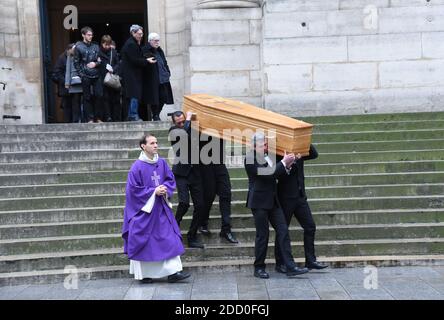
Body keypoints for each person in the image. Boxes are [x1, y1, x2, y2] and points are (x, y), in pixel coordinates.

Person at [122, 134, 191, 283]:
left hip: (160, 209)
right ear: (143, 146)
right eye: (152, 143)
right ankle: (145, 275)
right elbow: (132, 191)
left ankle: (174, 272)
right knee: (146, 243)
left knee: (170, 238)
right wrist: (153, 191)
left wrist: (164, 188)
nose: (156, 145)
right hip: (144, 212)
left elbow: (169, 179)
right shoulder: (136, 167)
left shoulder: (162, 163)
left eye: (156, 143)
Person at [244, 132, 309, 279]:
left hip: (273, 200)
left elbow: (277, 174)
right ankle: (259, 267)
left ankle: (290, 266)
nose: (265, 147)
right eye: (262, 145)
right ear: (253, 146)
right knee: (263, 235)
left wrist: (288, 165)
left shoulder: (270, 156)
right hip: (259, 202)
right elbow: (267, 174)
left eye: (266, 144)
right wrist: (283, 163)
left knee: (283, 230)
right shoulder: (249, 158)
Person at [275, 144, 329, 271]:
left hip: (300, 197)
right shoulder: (278, 152)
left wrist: (305, 140)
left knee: (310, 226)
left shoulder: (300, 149)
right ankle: (280, 263)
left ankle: (310, 260)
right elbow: (276, 173)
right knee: (283, 231)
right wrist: (286, 162)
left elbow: (314, 154)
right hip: (285, 198)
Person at [169, 111, 206, 249]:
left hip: (195, 173)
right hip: (181, 173)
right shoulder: (174, 131)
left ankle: (192, 235)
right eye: (179, 122)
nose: (181, 123)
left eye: (183, 121)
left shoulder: (191, 129)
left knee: (200, 206)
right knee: (184, 203)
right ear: (174, 123)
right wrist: (189, 119)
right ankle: (173, 226)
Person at [198, 134, 238, 244]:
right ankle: (202, 222)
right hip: (204, 163)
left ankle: (226, 229)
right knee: (209, 195)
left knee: (226, 193)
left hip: (219, 162)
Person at [121, 25, 156, 121]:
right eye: (139, 34)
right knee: (134, 94)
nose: (141, 35)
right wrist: (147, 61)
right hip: (132, 75)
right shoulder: (131, 44)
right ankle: (133, 114)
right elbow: (134, 60)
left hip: (133, 74)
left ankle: (131, 115)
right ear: (133, 33)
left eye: (142, 33)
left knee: (133, 95)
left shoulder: (133, 43)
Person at [142, 32, 174, 121]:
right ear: (150, 41)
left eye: (158, 41)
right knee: (155, 98)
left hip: (163, 78)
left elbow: (164, 62)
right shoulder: (145, 50)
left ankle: (157, 114)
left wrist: (167, 71)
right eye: (155, 41)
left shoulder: (159, 50)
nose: (157, 43)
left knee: (164, 97)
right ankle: (155, 115)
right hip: (153, 79)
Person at [73, 26, 103, 123]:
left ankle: (98, 117)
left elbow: (100, 60)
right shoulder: (78, 47)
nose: (91, 36)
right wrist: (82, 75)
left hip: (96, 74)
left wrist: (96, 63)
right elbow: (76, 62)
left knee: (99, 95)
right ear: (83, 35)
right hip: (85, 75)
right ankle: (89, 118)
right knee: (87, 97)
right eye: (89, 35)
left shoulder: (96, 46)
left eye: (91, 35)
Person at [51, 43, 82, 123]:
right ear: (69, 50)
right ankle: (68, 123)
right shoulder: (61, 58)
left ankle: (75, 121)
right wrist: (66, 81)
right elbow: (57, 72)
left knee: (76, 104)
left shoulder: (76, 56)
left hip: (75, 85)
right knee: (67, 106)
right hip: (65, 87)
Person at [98, 35, 122, 122]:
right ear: (102, 43)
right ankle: (108, 117)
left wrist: (113, 69)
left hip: (112, 78)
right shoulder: (98, 52)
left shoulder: (113, 52)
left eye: (108, 44)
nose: (107, 47)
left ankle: (116, 117)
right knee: (105, 99)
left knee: (115, 99)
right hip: (102, 78)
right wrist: (104, 66)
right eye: (105, 45)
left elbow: (118, 64)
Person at [63, 44, 83, 123]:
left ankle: (84, 119)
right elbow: (68, 70)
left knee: (85, 101)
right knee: (75, 102)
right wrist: (67, 83)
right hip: (73, 82)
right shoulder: (70, 56)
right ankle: (76, 120)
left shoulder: (82, 55)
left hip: (83, 80)